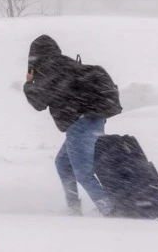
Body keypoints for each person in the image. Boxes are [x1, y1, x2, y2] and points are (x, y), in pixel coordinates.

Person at [23, 35, 121, 216]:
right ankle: (73, 207)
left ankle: (110, 211)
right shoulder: (66, 64)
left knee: (83, 173)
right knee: (63, 164)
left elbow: (39, 103)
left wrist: (29, 84)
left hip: (81, 124)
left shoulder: (49, 69)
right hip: (92, 119)